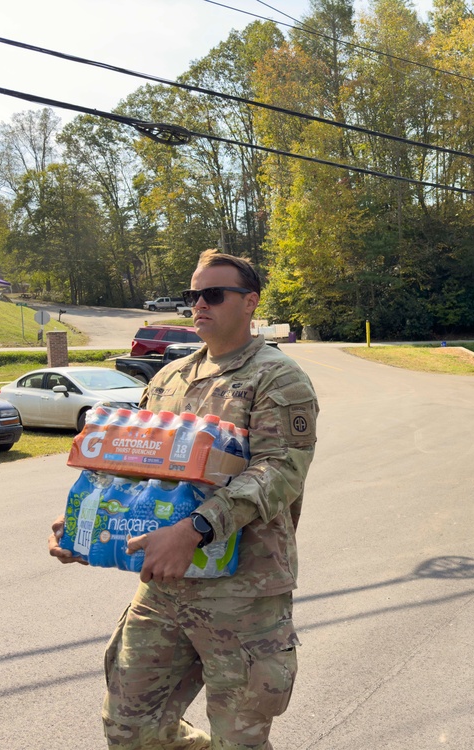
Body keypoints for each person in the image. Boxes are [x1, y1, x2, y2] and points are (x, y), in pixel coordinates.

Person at [49, 249, 319, 749]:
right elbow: (129, 469)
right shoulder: (169, 378)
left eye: (213, 294)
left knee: (239, 738)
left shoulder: (276, 377)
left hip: (244, 593)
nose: (199, 304)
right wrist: (84, 527)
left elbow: (281, 470)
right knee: (130, 729)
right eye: (192, 295)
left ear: (249, 302)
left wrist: (195, 528)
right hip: (166, 587)